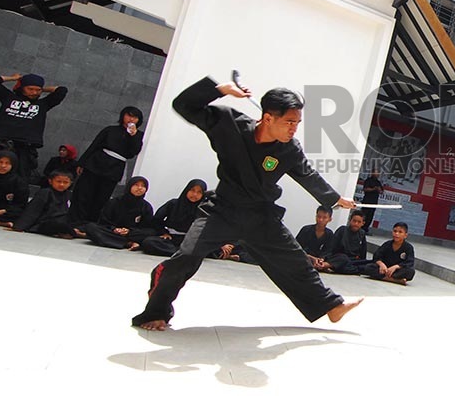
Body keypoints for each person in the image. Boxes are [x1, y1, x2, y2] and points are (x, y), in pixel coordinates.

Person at [131, 77, 361, 331]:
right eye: (289, 122)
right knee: (186, 257)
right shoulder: (228, 123)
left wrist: (336, 199)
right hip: (221, 210)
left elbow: (308, 175)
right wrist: (219, 90)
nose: (294, 129)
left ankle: (332, 307)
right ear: (268, 118)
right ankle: (156, 313)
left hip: (261, 216)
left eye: (297, 123)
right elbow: (183, 105)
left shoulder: (290, 150)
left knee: (295, 261)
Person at [0, 72, 68, 183]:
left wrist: (43, 89)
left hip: (26, 147)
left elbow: (62, 90)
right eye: (30, 89)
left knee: (20, 178)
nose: (34, 92)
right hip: (2, 142)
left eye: (37, 90)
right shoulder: (8, 97)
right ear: (22, 88)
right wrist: (14, 78)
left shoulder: (43, 104)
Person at [69, 107, 145, 227]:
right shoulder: (110, 130)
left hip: (115, 167)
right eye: (129, 115)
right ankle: (75, 221)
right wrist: (82, 162)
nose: (131, 119)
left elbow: (134, 152)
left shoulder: (139, 135)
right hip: (97, 162)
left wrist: (133, 135)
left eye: (135, 117)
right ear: (123, 116)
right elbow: (94, 145)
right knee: (84, 193)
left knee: (102, 197)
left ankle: (91, 224)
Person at [140, 179, 208, 257]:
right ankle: (182, 253)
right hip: (171, 238)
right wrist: (164, 232)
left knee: (213, 249)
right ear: (186, 190)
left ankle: (183, 252)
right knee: (148, 242)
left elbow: (208, 227)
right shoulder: (173, 204)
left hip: (189, 240)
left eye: (199, 192)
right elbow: (157, 219)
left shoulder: (203, 209)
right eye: (192, 190)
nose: (195, 194)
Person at [83, 176, 154, 250]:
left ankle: (114, 241)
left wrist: (129, 231)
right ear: (129, 186)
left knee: (150, 234)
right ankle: (128, 243)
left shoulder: (146, 207)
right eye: (136, 185)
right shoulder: (115, 202)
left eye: (143, 186)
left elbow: (147, 227)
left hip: (131, 234)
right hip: (112, 232)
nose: (139, 188)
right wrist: (114, 229)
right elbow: (104, 221)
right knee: (91, 227)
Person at [13, 170, 77, 238]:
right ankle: (72, 233)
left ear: (70, 183)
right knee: (57, 225)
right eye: (58, 181)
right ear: (50, 181)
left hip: (65, 221)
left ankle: (73, 232)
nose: (61, 184)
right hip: (45, 222)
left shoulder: (69, 195)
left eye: (65, 182)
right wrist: (19, 227)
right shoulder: (45, 192)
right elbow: (32, 211)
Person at [326, 210, 370, 274]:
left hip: (353, 261)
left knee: (369, 264)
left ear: (363, 223)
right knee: (343, 259)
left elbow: (363, 252)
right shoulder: (342, 230)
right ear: (350, 220)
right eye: (354, 221)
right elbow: (332, 247)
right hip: (340, 258)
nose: (356, 224)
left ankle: (336, 268)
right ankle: (340, 267)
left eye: (359, 222)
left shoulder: (362, 233)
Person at [295, 205, 335, 271]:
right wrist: (310, 257)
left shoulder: (329, 233)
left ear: (330, 219)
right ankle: (317, 266)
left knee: (342, 258)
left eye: (324, 217)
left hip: (319, 259)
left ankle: (321, 265)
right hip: (306, 256)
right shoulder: (306, 229)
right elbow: (297, 247)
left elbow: (328, 251)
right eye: (318, 217)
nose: (320, 220)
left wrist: (322, 259)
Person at [360, 169, 383, 233]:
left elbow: (382, 191)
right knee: (364, 215)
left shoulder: (378, 182)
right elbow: (365, 189)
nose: (377, 174)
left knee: (370, 217)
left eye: (378, 173)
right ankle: (360, 228)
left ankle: (365, 229)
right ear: (372, 173)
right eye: (376, 173)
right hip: (366, 201)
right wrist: (373, 189)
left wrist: (379, 190)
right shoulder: (368, 180)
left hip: (374, 202)